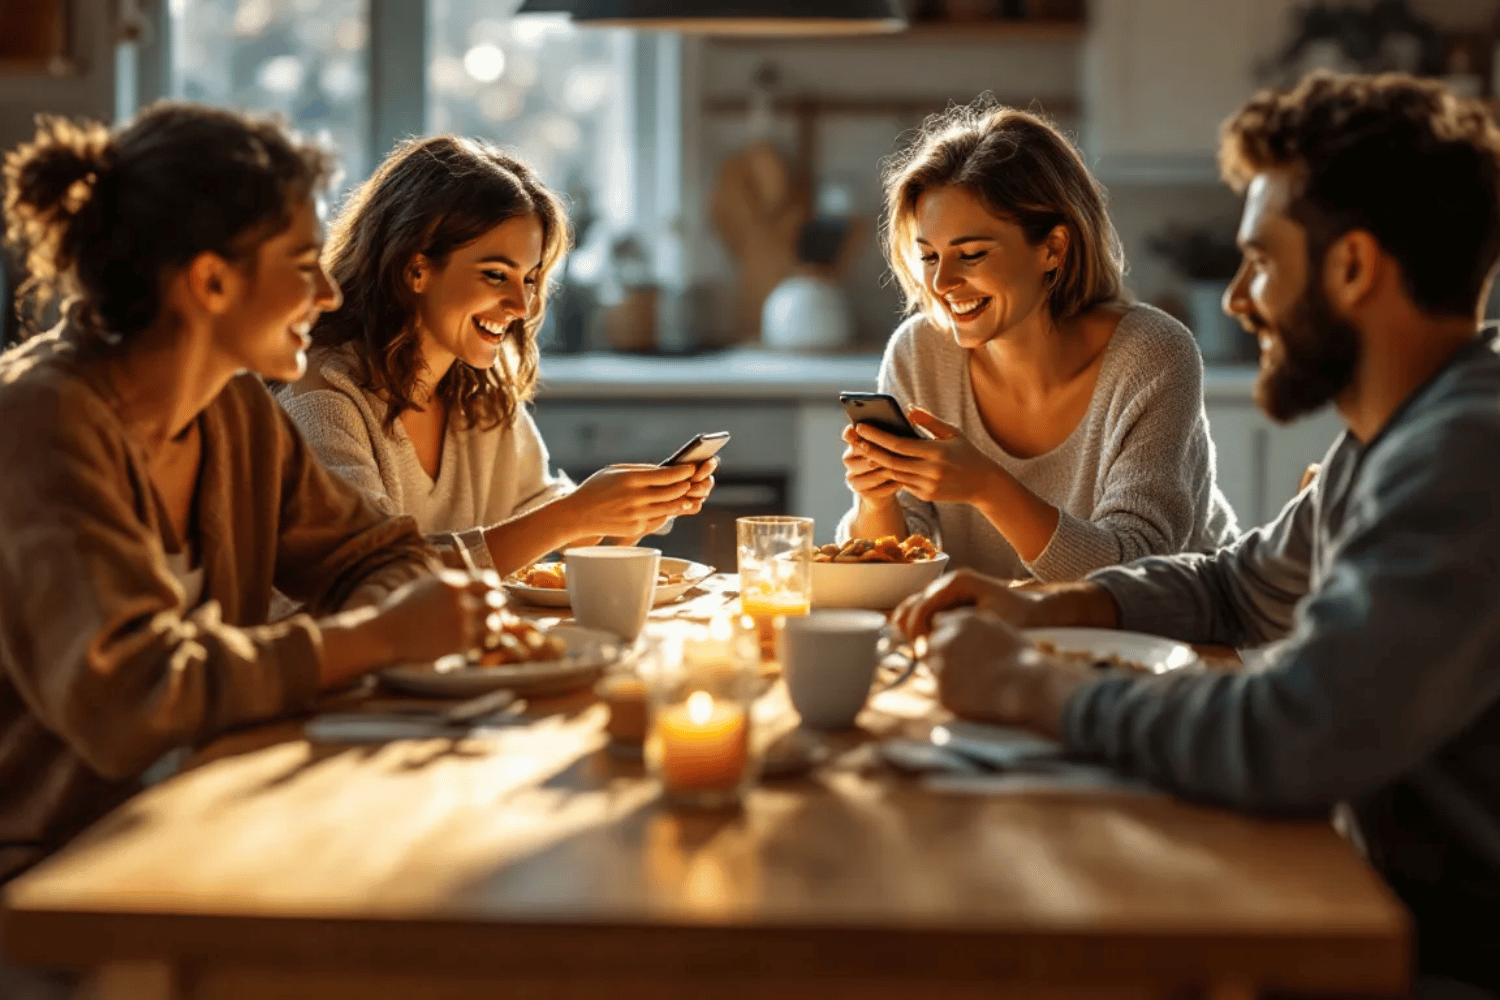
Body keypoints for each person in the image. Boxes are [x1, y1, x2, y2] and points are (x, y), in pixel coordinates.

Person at [896, 72, 1500, 995]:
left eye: (1260, 261)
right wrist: (1052, 608)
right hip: (1379, 904)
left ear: (1353, 268)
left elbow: (1289, 734)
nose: (1238, 300)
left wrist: (1032, 687)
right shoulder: (1391, 441)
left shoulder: (1461, 458)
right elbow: (1234, 586)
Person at [0, 104, 499, 890]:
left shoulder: (235, 411)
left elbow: (380, 553)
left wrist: (389, 614)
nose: (330, 293)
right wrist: (375, 640)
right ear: (211, 280)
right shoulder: (43, 421)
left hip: (200, 823)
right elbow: (134, 699)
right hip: (53, 874)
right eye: (303, 264)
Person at [277, 136, 714, 577]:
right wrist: (572, 516)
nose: (521, 306)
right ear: (416, 269)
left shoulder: (480, 394)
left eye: (528, 279)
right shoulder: (322, 398)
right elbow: (374, 574)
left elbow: (542, 520)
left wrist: (629, 505)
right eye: (494, 274)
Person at [840, 101, 1237, 581]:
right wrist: (876, 498)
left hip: (1172, 640)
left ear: (1052, 249)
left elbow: (1136, 569)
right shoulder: (919, 354)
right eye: (928, 256)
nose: (941, 283)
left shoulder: (1152, 354)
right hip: (1001, 638)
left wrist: (988, 486)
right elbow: (899, 566)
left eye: (971, 254)